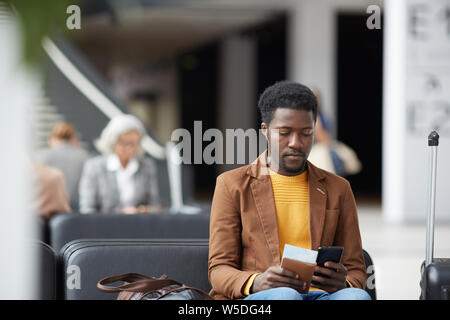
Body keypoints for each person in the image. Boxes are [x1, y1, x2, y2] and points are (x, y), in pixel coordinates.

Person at [208, 81, 371, 300]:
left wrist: (344, 281)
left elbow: (356, 269)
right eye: (284, 132)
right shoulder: (232, 185)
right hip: (264, 297)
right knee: (285, 295)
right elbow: (218, 269)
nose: (296, 143)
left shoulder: (338, 188)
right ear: (265, 131)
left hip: (321, 295)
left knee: (357, 297)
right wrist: (256, 282)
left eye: (306, 133)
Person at [78, 114, 161, 214]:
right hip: (104, 226)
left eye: (133, 143)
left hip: (138, 225)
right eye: (124, 143)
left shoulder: (147, 166)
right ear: (112, 141)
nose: (129, 148)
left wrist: (140, 210)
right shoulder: (94, 167)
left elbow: (154, 206)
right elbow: (87, 209)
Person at [36, 122, 90, 210]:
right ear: (74, 139)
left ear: (51, 139)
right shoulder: (86, 157)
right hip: (78, 210)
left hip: (48, 210)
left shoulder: (40, 157)